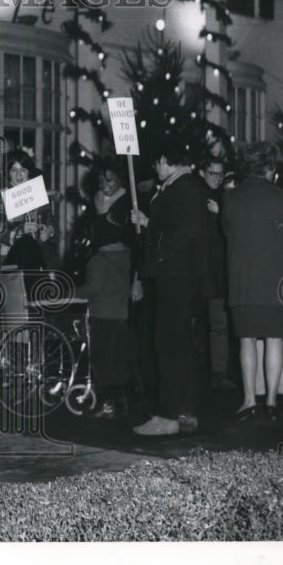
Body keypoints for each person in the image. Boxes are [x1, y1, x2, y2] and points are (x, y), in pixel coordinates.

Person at [221, 142, 283, 423]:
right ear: (270, 167)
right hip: (276, 281)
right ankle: (271, 402)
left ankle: (249, 401)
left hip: (242, 280)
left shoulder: (230, 198)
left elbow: (226, 233)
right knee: (274, 341)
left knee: (246, 341)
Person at [130, 143, 210, 436]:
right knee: (179, 343)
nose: (155, 169)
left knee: (168, 341)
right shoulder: (182, 186)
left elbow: (184, 233)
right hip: (179, 275)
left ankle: (167, 416)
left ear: (166, 159)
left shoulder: (184, 188)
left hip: (177, 274)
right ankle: (183, 410)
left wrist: (150, 228)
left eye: (157, 163)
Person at [71, 159, 137, 418]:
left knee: (103, 362)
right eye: (100, 182)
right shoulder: (121, 258)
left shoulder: (99, 260)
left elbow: (91, 289)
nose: (104, 186)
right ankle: (123, 403)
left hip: (102, 315)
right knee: (117, 360)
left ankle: (109, 404)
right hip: (118, 312)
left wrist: (70, 292)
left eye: (109, 180)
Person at [198, 157, 235, 391]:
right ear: (203, 173)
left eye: (220, 175)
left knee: (218, 325)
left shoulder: (226, 199)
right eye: (212, 174)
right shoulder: (194, 195)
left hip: (218, 273)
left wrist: (221, 212)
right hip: (196, 271)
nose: (216, 179)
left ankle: (218, 373)